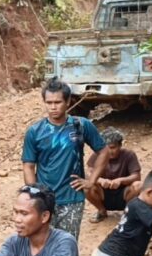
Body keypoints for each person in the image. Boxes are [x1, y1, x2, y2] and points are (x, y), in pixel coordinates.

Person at [22, 80, 107, 240]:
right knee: (41, 246)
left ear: (68, 102)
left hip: (72, 199)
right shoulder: (35, 131)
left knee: (67, 247)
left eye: (58, 102)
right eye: (49, 103)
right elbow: (28, 166)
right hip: (44, 201)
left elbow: (103, 151)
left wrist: (91, 181)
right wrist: (34, 194)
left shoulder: (81, 125)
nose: (53, 107)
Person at [84, 127, 142, 223]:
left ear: (120, 145)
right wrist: (100, 180)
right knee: (86, 186)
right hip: (103, 194)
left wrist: (120, 181)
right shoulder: (98, 155)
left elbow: (136, 176)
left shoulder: (129, 155)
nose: (109, 151)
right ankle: (101, 211)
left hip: (124, 194)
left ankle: (128, 212)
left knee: (138, 185)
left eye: (112, 147)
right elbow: (89, 172)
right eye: (106, 148)